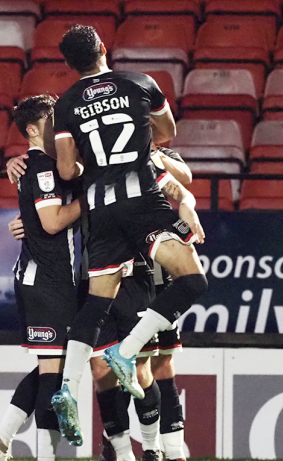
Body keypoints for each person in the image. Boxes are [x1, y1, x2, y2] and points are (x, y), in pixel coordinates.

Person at [48, 24, 209, 446]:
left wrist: (92, 165)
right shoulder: (141, 83)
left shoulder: (64, 105)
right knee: (193, 279)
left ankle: (66, 387)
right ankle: (126, 350)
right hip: (142, 201)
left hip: (99, 210)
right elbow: (167, 133)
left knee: (97, 301)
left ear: (69, 64)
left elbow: (66, 171)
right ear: (103, 48)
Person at [4, 145, 192, 461]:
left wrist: (185, 201)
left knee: (146, 366)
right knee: (102, 369)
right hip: (96, 275)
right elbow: (61, 199)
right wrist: (28, 214)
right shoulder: (87, 164)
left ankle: (156, 449)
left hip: (141, 271)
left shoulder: (148, 156)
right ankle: (120, 452)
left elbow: (184, 184)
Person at [0, 94, 82, 461]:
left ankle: (0, 441)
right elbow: (53, 222)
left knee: (49, 367)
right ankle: (44, 456)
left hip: (52, 280)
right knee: (52, 372)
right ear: (35, 129)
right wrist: (91, 200)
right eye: (53, 119)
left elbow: (41, 220)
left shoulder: (40, 166)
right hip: (47, 283)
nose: (61, 125)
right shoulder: (40, 168)